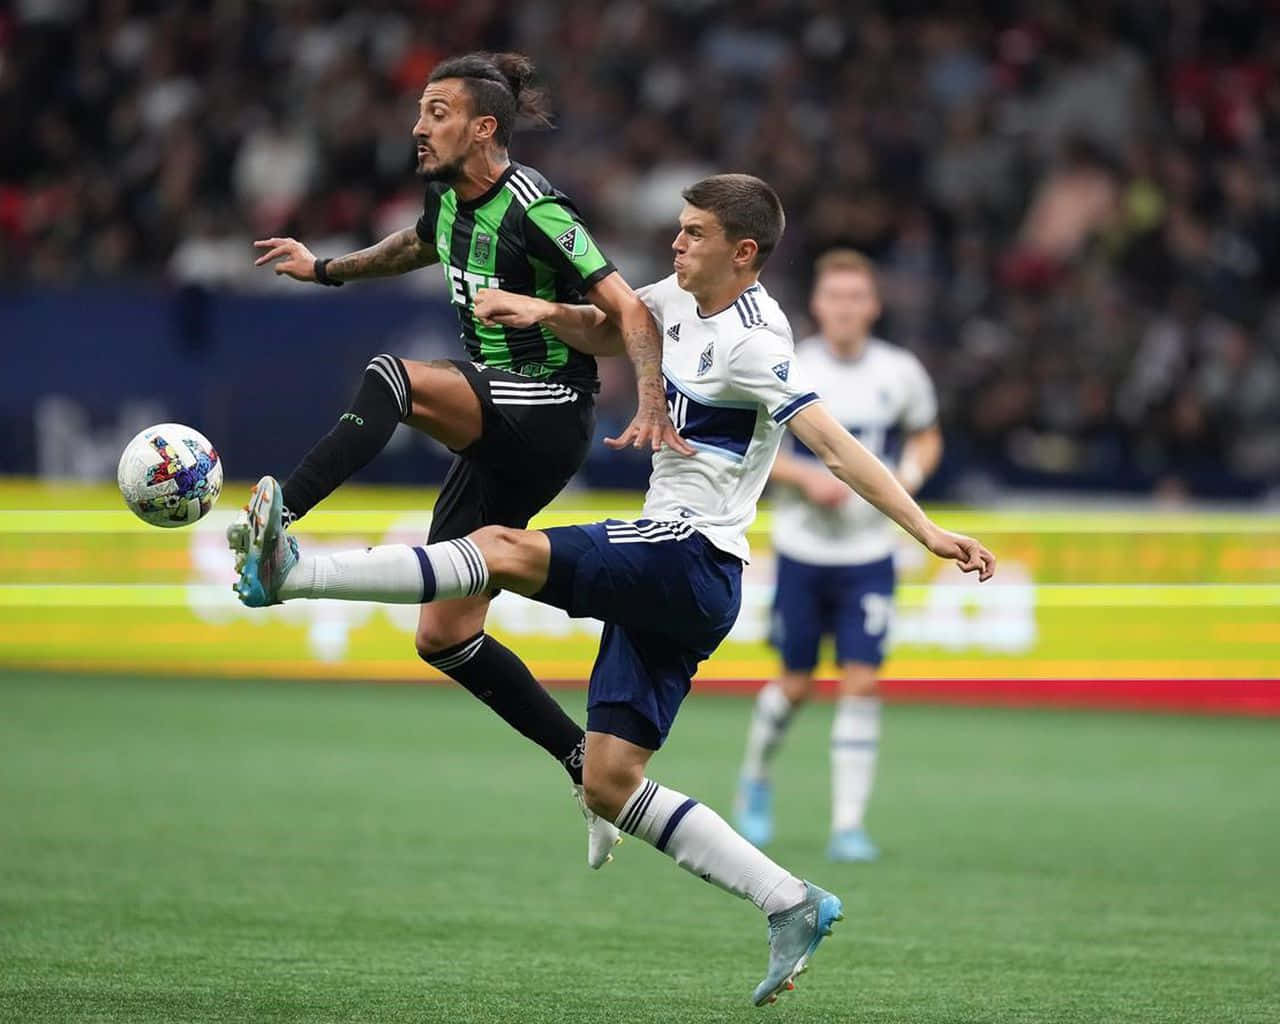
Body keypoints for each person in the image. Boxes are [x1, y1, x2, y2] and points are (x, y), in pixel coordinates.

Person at [231, 173, 995, 1004]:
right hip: (676, 576)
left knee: (497, 549)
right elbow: (613, 325)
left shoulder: (757, 341)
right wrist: (544, 314)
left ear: (743, 254)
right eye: (679, 227)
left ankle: (295, 572)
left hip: (689, 552)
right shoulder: (680, 294)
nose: (676, 241)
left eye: (694, 232)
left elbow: (838, 448)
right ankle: (791, 901)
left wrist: (928, 531)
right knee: (607, 779)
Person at [233, 52, 687, 867]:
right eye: (419, 111)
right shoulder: (447, 200)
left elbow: (626, 308)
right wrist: (326, 270)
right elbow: (416, 245)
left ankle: (284, 516)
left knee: (391, 380)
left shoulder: (538, 207)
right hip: (501, 432)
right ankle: (586, 765)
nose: (417, 125)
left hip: (549, 410)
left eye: (435, 112)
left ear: (483, 127)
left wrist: (650, 399)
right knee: (443, 636)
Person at [735, 249, 942, 863]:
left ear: (874, 306)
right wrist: (804, 479)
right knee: (795, 685)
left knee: (862, 681)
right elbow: (753, 444)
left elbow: (927, 433)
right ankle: (756, 778)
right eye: (836, 296)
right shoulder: (789, 365)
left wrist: (902, 478)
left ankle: (848, 825)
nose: (847, 308)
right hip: (802, 551)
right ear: (818, 305)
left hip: (868, 553)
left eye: (858, 297)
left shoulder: (900, 372)